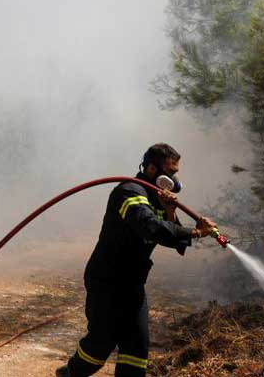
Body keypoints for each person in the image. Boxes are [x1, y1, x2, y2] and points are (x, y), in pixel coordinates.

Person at [57, 143, 217, 377]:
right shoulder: (129, 192)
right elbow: (150, 227)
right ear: (152, 169)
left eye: (176, 173)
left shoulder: (156, 198)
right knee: (100, 346)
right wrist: (196, 232)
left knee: (137, 349)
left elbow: (175, 242)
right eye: (170, 172)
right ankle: (70, 373)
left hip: (133, 284)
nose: (174, 179)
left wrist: (170, 212)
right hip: (107, 282)